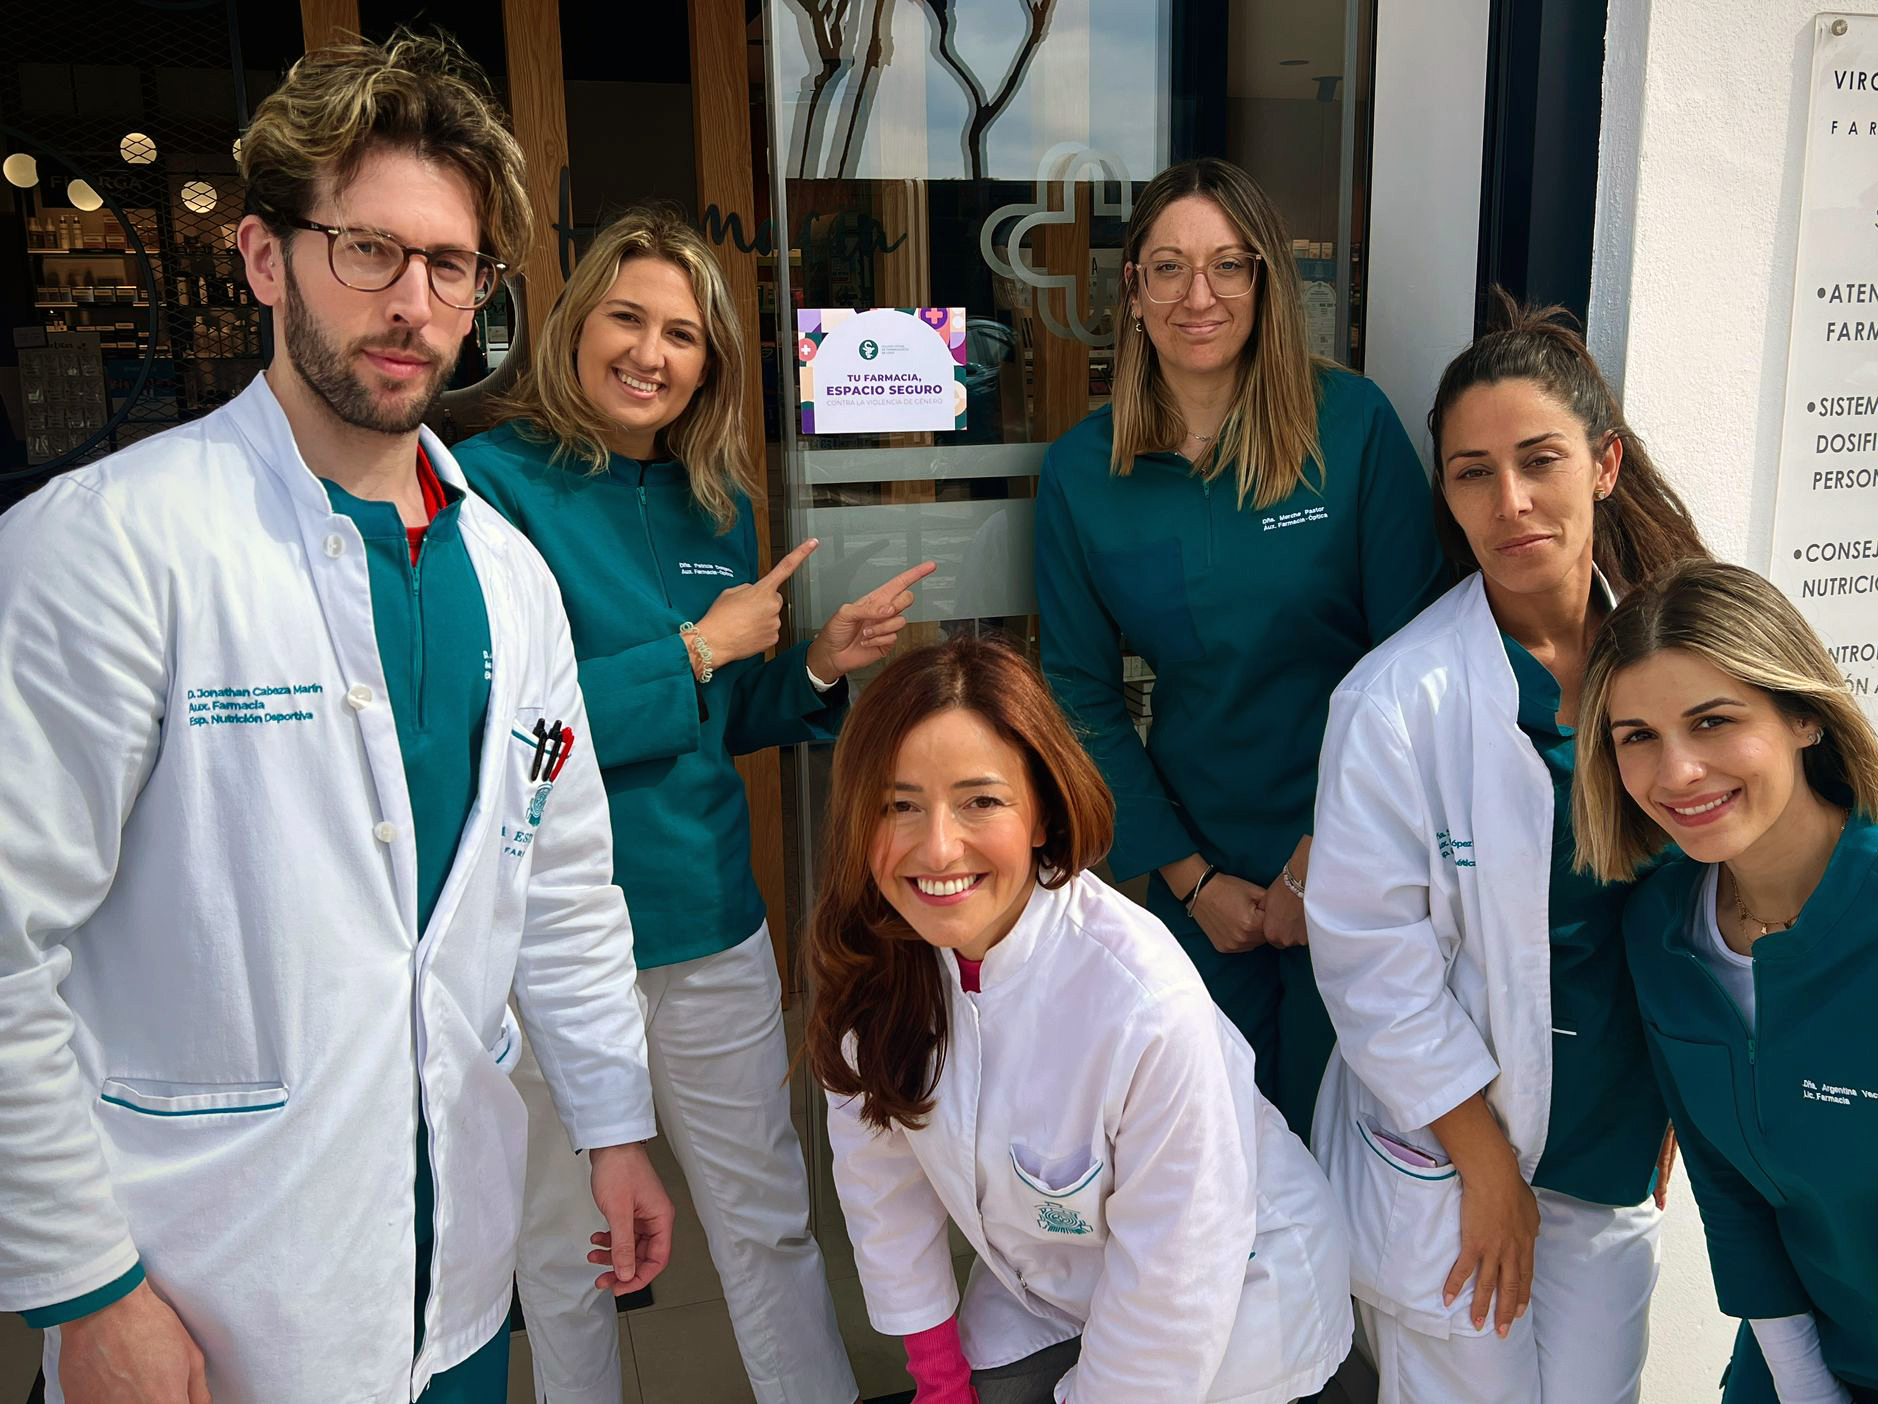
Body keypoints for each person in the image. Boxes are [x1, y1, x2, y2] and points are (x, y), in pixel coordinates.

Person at [0, 31, 671, 1404]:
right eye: (367, 250)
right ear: (264, 257)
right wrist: (85, 1288)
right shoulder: (109, 547)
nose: (413, 303)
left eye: (451, 265)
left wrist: (613, 1125)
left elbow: (561, 887)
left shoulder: (510, 578)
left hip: (456, 1289)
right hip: (203, 1295)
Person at [455, 204, 931, 1404]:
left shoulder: (716, 501)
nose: (649, 353)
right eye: (627, 318)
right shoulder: (488, 488)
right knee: (567, 1247)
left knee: (765, 1221)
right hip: (548, 939)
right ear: (574, 324)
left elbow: (717, 716)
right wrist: (697, 651)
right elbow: (497, 736)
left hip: (709, 921)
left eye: (681, 334)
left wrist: (813, 665)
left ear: (709, 362)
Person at [1305, 295, 1709, 1401]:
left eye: (1539, 461)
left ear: (1605, 465)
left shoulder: (1680, 666)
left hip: (1612, 1139)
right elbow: (1370, 967)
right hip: (1455, 1154)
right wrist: (1484, 1168)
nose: (1510, 501)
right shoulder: (1398, 700)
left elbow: (1719, 900)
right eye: (1472, 473)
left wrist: (1689, 1084)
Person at [806, 635, 1354, 1404]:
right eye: (900, 805)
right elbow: (882, 1183)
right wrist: (938, 1382)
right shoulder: (875, 964)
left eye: (980, 801)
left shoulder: (1142, 1003)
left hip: (1237, 1287)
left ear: (1041, 812)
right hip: (1054, 1281)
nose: (938, 847)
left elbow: (1174, 1280)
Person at [1034, 157, 1448, 1139]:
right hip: (1196, 862)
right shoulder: (1082, 472)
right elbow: (1078, 693)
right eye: (1168, 268)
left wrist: (1317, 858)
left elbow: (1414, 657)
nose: (1199, 296)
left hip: (1361, 848)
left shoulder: (1351, 428)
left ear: (1265, 283)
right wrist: (1190, 880)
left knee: (1355, 1141)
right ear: (1132, 291)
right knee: (1212, 1146)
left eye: (1228, 265)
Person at [1573, 560, 1878, 1404]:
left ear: (1804, 715)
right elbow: (1726, 1181)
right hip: (1802, 1362)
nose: (1676, 772)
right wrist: (1799, 1379)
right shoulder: (1658, 929)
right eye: (1637, 736)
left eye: (1712, 721)